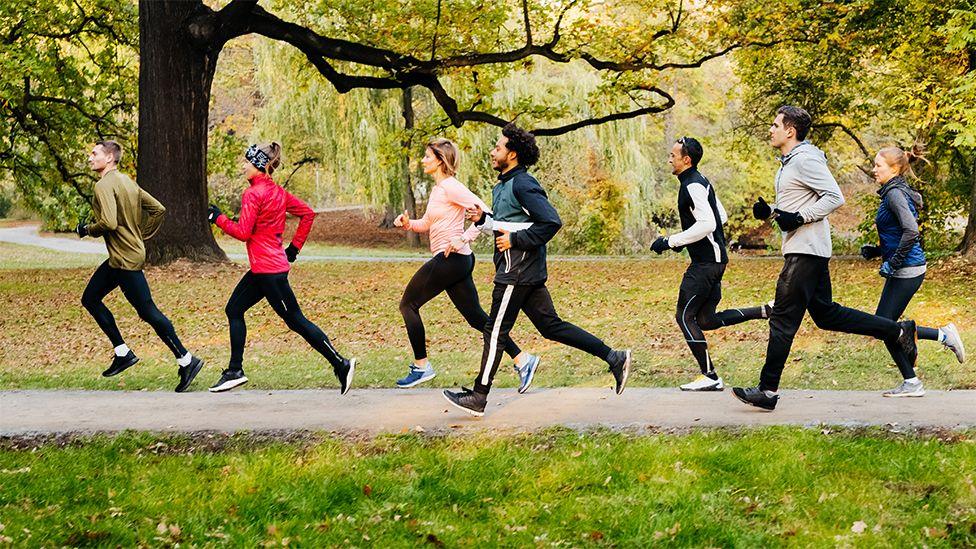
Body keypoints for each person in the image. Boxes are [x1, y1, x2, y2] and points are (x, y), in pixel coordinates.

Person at [731, 106, 919, 409]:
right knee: (827, 315)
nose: (771, 129)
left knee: (782, 318)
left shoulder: (805, 159)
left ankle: (767, 391)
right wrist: (773, 213)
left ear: (790, 131)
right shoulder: (790, 161)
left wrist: (800, 217)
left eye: (775, 124)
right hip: (804, 248)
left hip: (805, 251)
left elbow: (834, 196)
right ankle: (897, 330)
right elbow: (796, 209)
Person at [443, 123, 632, 417]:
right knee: (550, 327)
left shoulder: (523, 184)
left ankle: (479, 396)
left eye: (498, 147)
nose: (493, 151)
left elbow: (550, 222)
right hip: (521, 271)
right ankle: (614, 357)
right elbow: (510, 223)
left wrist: (517, 240)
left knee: (495, 332)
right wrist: (484, 220)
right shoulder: (503, 185)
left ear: (513, 154)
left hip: (516, 272)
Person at [207, 142, 355, 394]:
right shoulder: (277, 192)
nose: (243, 166)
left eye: (247, 162)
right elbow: (307, 214)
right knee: (234, 309)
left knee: (296, 320)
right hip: (265, 269)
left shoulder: (253, 194)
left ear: (260, 165)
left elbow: (243, 233)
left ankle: (340, 364)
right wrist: (293, 249)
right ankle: (234, 370)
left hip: (270, 273)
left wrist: (218, 218)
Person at [394, 138, 540, 390]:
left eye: (427, 156)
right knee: (477, 318)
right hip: (456, 260)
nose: (423, 160)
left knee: (408, 305)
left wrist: (462, 237)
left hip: (452, 259)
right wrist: (408, 224)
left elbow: (487, 213)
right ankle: (523, 360)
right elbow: (427, 224)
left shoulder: (451, 186)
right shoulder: (439, 189)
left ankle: (421, 366)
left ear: (440, 160)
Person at [77, 140, 204, 392]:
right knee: (91, 298)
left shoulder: (103, 185)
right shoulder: (127, 181)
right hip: (124, 257)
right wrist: (139, 234)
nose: (90, 158)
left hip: (124, 260)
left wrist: (86, 230)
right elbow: (158, 209)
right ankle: (123, 352)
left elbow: (109, 222)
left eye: (95, 154)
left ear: (110, 158)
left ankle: (187, 360)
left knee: (148, 312)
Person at [651, 137, 772, 392]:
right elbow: (721, 216)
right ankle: (763, 311)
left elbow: (708, 223)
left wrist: (671, 241)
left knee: (684, 316)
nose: (669, 159)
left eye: (673, 155)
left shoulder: (692, 185)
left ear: (687, 160)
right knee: (705, 319)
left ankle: (710, 375)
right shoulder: (700, 180)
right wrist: (690, 239)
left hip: (705, 263)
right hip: (715, 261)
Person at [858, 146, 965, 372]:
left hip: (908, 268)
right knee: (884, 326)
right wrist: (877, 252)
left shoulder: (895, 193)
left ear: (895, 169)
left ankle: (943, 335)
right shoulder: (893, 191)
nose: (874, 169)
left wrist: (892, 262)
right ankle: (911, 380)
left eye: (879, 165)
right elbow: (898, 233)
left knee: (884, 325)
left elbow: (911, 232)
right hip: (905, 267)